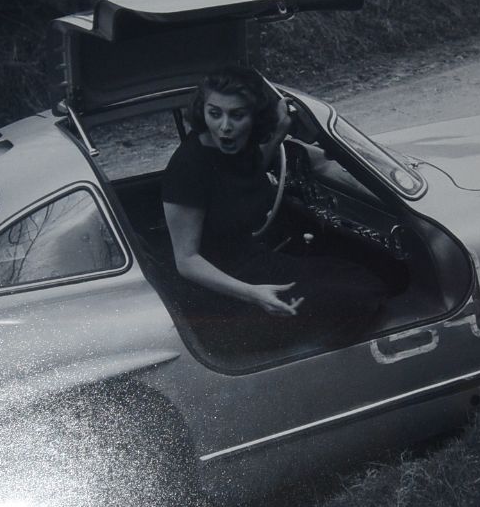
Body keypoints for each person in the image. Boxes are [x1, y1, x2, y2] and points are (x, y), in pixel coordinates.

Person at [161, 67, 386, 358]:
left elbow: (252, 169)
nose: (224, 127)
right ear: (202, 111)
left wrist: (281, 128)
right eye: (214, 113)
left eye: (237, 115)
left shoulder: (239, 148)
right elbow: (187, 261)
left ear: (254, 117)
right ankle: (313, 370)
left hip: (254, 262)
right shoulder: (188, 169)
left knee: (365, 277)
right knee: (355, 298)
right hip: (219, 294)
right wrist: (254, 294)